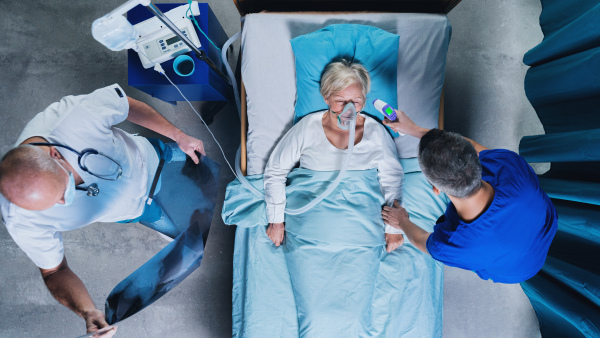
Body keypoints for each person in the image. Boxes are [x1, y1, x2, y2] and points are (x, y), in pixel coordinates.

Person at [0, 84, 205, 335]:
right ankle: (168, 222)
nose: (64, 203)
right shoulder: (21, 219)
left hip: (153, 157)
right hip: (135, 210)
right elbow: (55, 271)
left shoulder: (76, 117)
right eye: (52, 205)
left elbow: (126, 106)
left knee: (200, 168)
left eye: (62, 191)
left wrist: (178, 135)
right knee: (184, 232)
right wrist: (87, 310)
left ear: (55, 153)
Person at [380, 111, 558, 283]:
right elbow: (471, 146)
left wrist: (402, 221)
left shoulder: (451, 245)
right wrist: (414, 129)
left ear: (436, 188)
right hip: (545, 226)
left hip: (521, 270)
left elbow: (421, 240)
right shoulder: (510, 166)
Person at [263, 59, 405, 253]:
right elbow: (276, 170)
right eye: (340, 101)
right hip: (311, 224)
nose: (349, 110)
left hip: (359, 228)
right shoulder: (307, 127)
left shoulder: (376, 133)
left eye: (355, 101)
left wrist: (393, 228)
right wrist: (276, 220)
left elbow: (392, 180)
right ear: (326, 98)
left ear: (364, 99)